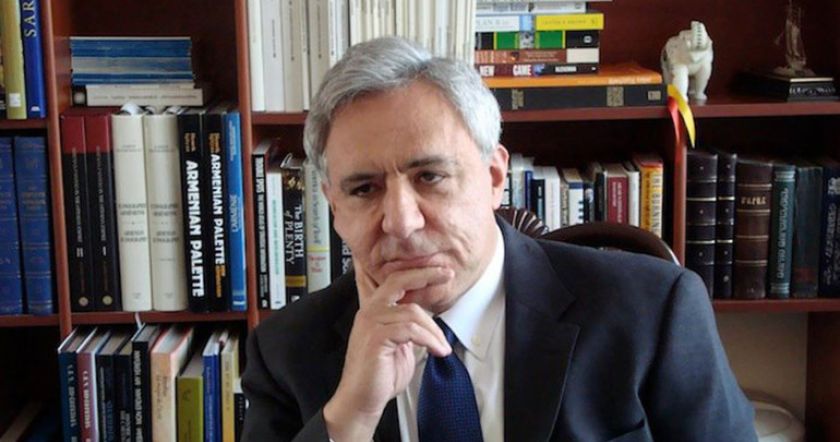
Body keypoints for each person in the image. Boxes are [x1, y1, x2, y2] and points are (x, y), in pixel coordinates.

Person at [241, 36, 757, 442]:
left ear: (493, 176)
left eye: (430, 177)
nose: (400, 222)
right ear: (334, 207)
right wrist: (348, 420)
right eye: (363, 189)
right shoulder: (285, 352)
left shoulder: (653, 313)